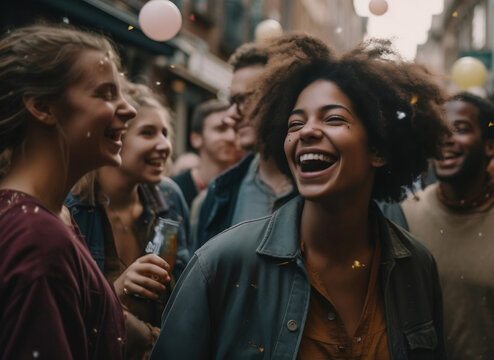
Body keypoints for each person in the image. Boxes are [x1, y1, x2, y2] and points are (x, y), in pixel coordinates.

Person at [151, 34, 447, 359]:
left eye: (333, 118)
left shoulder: (416, 266)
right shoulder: (221, 264)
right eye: (295, 123)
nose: (306, 131)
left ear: (378, 148)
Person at [0, 25, 137, 359]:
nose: (129, 109)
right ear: (43, 107)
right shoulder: (37, 237)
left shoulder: (49, 218)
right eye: (106, 94)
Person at [402, 92, 494, 359]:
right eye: (439, 129)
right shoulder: (405, 214)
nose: (445, 138)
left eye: (460, 129)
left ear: (490, 146)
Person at [65, 82, 190, 359]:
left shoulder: (170, 197)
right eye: (148, 133)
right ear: (115, 136)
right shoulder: (71, 209)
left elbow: (188, 294)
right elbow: (65, 314)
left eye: (166, 133)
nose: (165, 145)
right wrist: (115, 291)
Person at [193, 41, 296, 253]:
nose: (231, 116)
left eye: (245, 100)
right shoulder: (220, 193)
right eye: (232, 101)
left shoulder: (321, 188)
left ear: (282, 99)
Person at [171, 99, 238, 209]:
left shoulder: (245, 189)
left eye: (235, 129)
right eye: (221, 129)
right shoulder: (174, 190)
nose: (231, 137)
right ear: (196, 139)